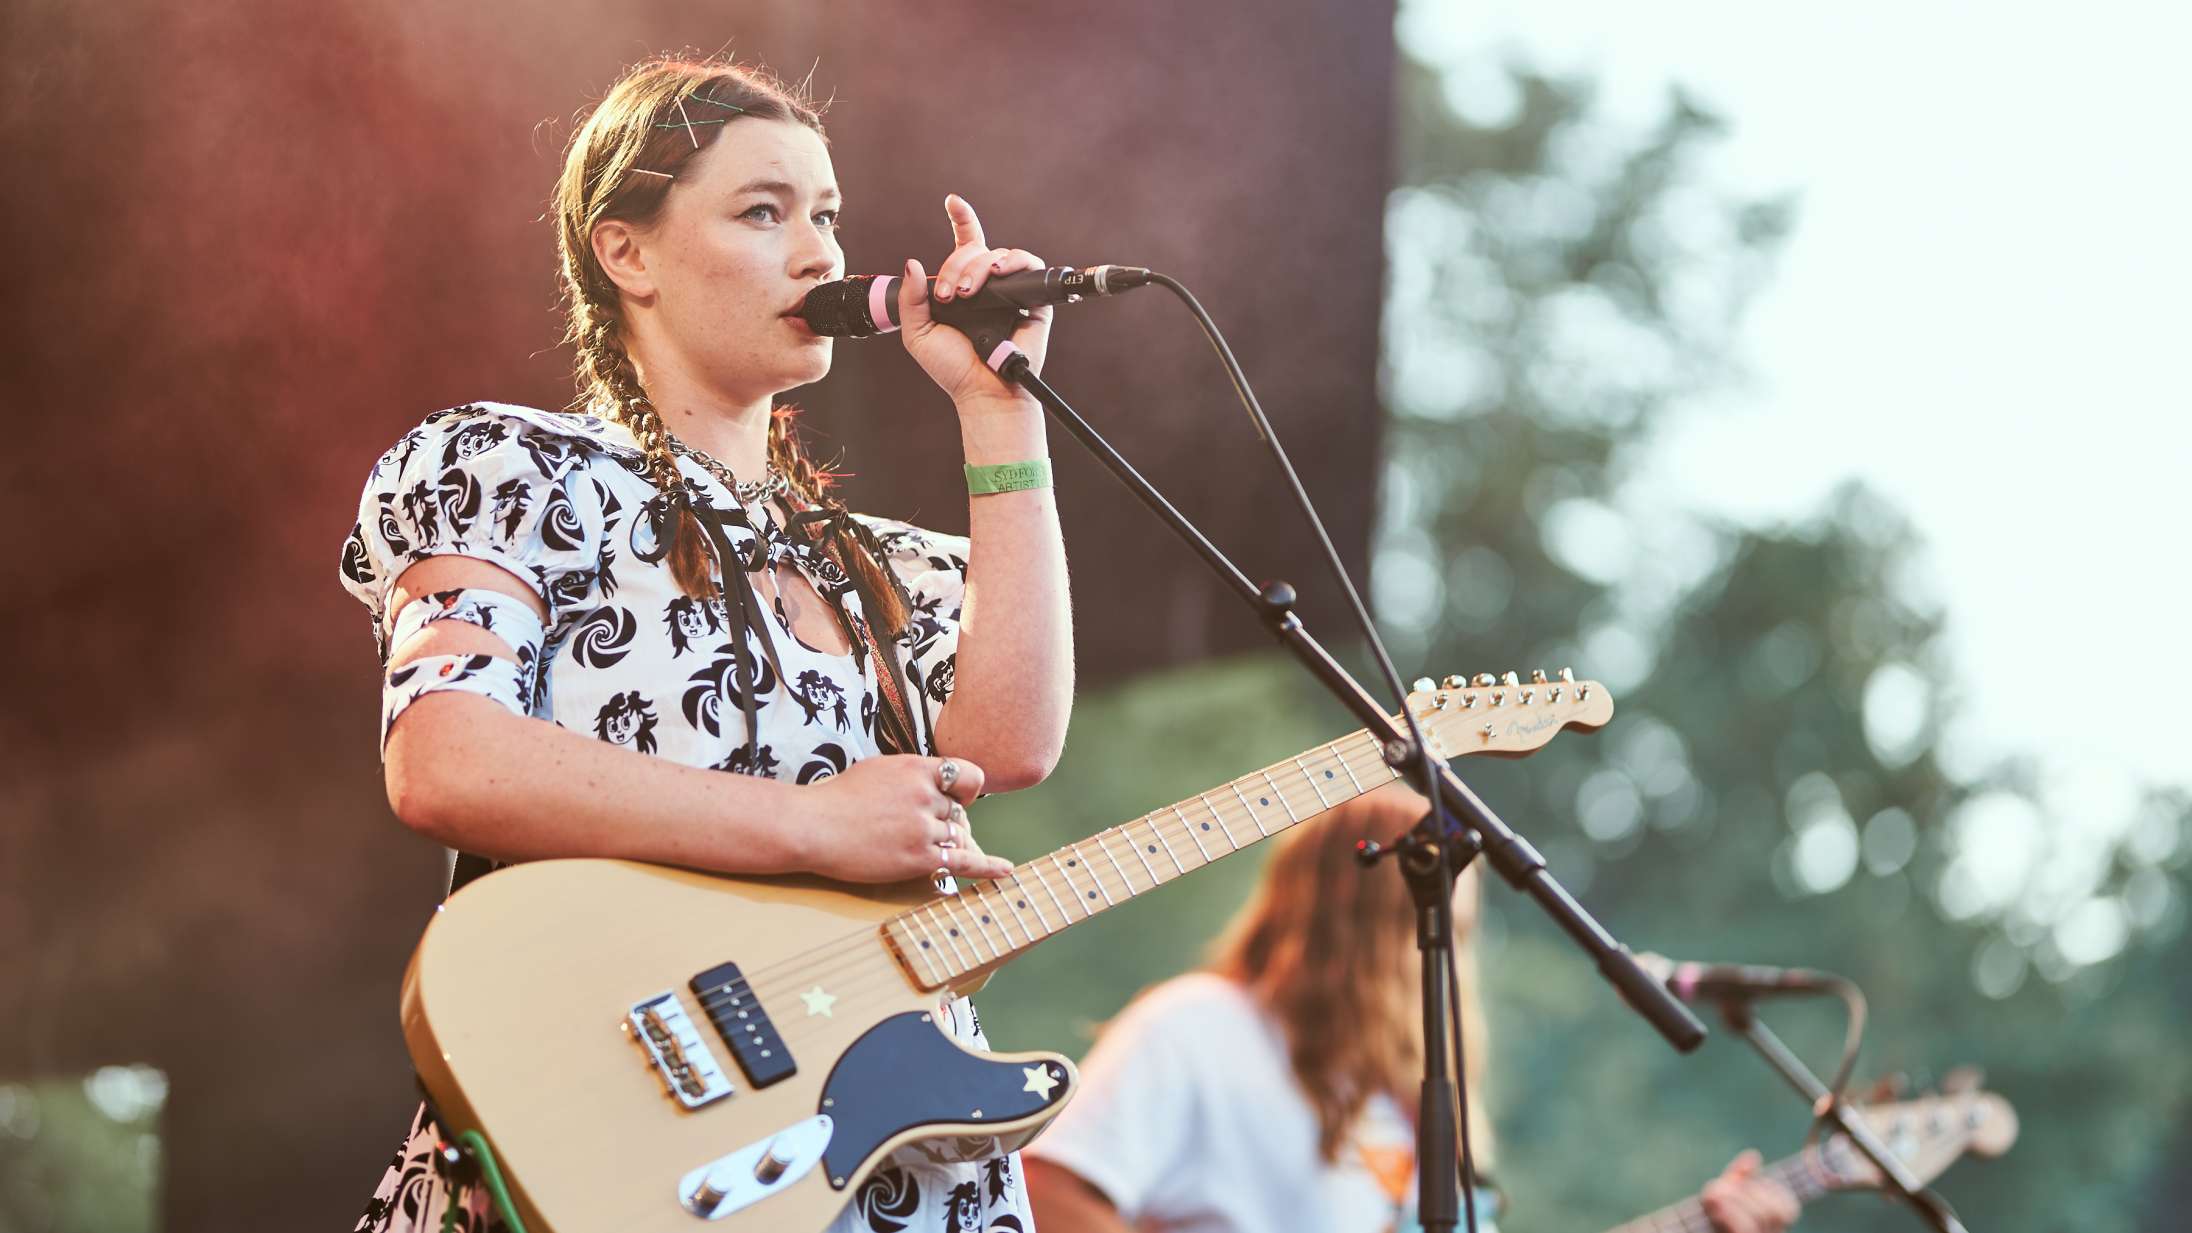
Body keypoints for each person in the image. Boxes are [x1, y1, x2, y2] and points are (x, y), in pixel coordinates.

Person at [337, 55, 1072, 1233]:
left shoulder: (874, 558)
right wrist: (808, 824)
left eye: (826, 215)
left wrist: (1000, 412)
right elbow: (447, 759)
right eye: (762, 212)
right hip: (611, 1151)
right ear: (625, 253)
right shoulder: (507, 465)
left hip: (890, 1168)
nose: (823, 255)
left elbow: (1007, 745)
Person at [1022, 785, 1802, 1233]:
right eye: (1436, 928)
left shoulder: (1413, 1110)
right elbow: (1043, 1191)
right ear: (1359, 923)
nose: (1451, 964)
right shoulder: (1198, 1028)